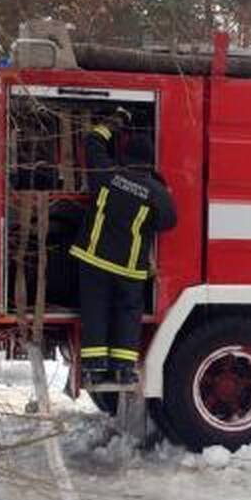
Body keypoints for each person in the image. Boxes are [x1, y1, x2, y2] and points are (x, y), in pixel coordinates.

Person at [69, 106, 176, 397]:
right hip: (129, 266)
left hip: (94, 258)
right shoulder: (155, 192)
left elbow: (92, 141)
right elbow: (169, 221)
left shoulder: (106, 173)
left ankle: (93, 367)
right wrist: (160, 188)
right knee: (128, 314)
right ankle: (124, 368)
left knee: (95, 310)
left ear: (126, 158)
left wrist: (113, 122)